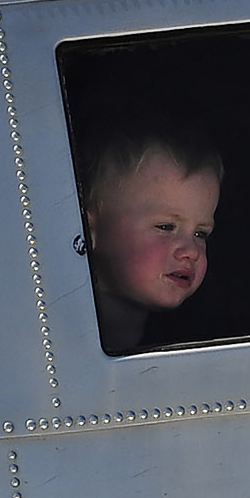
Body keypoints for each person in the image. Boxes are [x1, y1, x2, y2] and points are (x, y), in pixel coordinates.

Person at [81, 127, 222, 354]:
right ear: (89, 231)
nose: (192, 252)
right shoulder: (59, 327)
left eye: (200, 234)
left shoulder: (191, 332)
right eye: (166, 227)